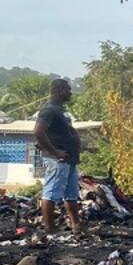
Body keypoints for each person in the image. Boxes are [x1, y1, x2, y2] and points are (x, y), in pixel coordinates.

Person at [33, 78, 82, 234]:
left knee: (71, 195)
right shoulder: (49, 110)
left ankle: (77, 226)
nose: (70, 92)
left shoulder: (60, 111)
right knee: (51, 193)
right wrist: (55, 152)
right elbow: (38, 132)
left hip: (69, 159)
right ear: (60, 91)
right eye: (68, 89)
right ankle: (49, 228)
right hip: (58, 160)